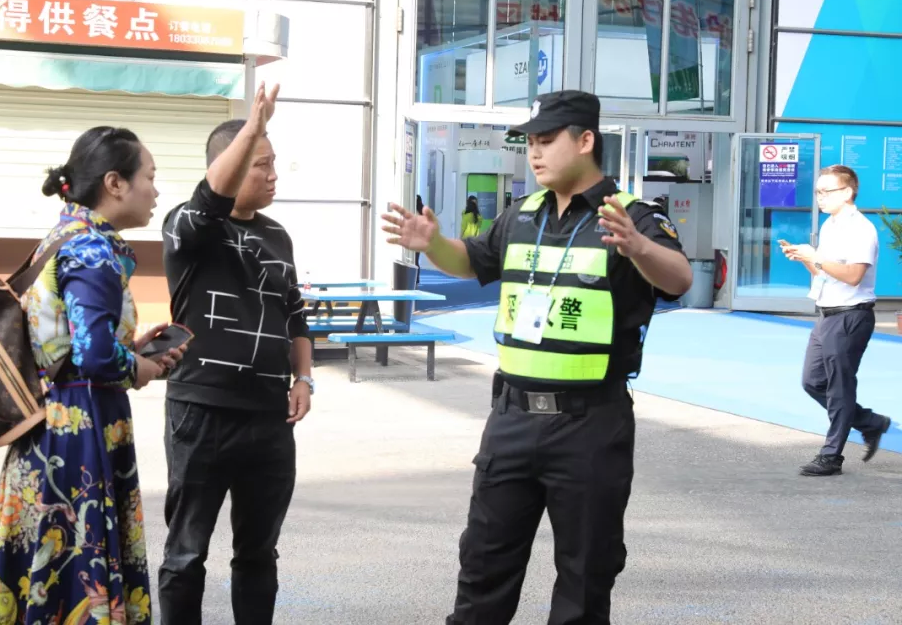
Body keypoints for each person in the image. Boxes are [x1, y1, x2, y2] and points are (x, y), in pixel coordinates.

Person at [382, 90, 693, 625]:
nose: (534, 152)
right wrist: (432, 244)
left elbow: (679, 279)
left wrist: (638, 248)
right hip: (512, 417)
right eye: (529, 142)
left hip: (590, 423)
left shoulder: (631, 216)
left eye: (546, 140)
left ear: (586, 140)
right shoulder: (521, 214)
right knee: (483, 566)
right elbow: (473, 261)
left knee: (584, 576)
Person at [0, 126, 187, 625]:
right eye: (150, 177)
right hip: (80, 432)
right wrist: (138, 366)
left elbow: (72, 344)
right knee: (77, 551)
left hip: (50, 422)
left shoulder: (62, 236)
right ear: (115, 183)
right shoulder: (93, 249)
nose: (156, 191)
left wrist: (129, 348)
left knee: (45, 556)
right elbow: (93, 357)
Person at [158, 82, 313, 624]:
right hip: (201, 413)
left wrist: (303, 379)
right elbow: (209, 200)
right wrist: (253, 127)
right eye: (260, 165)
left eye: (273, 164)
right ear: (229, 164)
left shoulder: (278, 237)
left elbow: (295, 316)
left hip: (268, 419)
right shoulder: (188, 227)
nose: (273, 175)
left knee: (258, 553)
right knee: (186, 553)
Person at [782, 164, 892, 476]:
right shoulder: (830, 225)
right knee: (813, 381)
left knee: (840, 387)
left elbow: (854, 275)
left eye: (826, 191)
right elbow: (825, 274)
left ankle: (831, 456)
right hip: (828, 313)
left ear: (847, 192)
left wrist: (815, 256)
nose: (820, 197)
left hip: (850, 315)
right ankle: (870, 422)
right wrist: (805, 259)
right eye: (818, 191)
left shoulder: (861, 229)